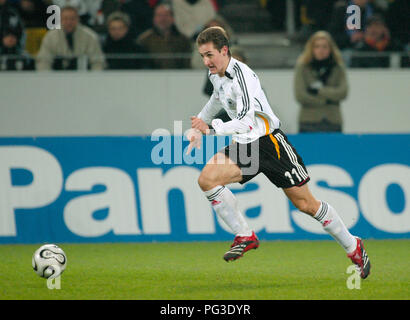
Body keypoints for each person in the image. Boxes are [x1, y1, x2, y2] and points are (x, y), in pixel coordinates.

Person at [186, 26, 370, 279]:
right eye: (202, 56)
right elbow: (216, 100)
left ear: (224, 50)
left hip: (270, 143)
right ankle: (245, 235)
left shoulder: (244, 77)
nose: (206, 62)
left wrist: (211, 128)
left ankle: (353, 245)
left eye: (209, 55)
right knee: (207, 179)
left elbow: (248, 121)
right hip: (245, 145)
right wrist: (199, 126)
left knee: (306, 204)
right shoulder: (217, 75)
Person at [294, 31, 348, 132]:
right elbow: (300, 95)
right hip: (309, 121)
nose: (321, 50)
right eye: (317, 46)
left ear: (330, 49)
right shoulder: (303, 67)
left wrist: (318, 91)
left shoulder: (338, 68)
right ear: (311, 48)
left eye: (324, 47)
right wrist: (328, 100)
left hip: (333, 120)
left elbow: (343, 92)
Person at [36, 6, 105, 71]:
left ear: (78, 19)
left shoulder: (90, 37)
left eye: (72, 19)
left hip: (84, 77)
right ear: (60, 19)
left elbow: (98, 62)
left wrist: (93, 79)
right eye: (65, 19)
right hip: (57, 77)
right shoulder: (50, 37)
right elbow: (43, 61)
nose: (69, 22)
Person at [137, 3, 191, 69]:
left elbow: (187, 63)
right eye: (159, 15)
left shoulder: (183, 40)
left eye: (166, 15)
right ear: (154, 19)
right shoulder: (144, 39)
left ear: (173, 18)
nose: (163, 19)